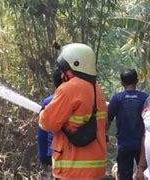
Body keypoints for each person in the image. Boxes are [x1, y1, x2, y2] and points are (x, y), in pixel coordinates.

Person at [39, 43, 107, 179]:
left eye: (64, 68)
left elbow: (48, 124)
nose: (62, 73)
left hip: (73, 169)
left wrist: (43, 113)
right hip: (96, 168)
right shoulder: (97, 89)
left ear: (75, 65)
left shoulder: (70, 88)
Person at [107, 69, 148, 180]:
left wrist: (104, 135)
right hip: (142, 145)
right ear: (137, 81)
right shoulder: (145, 98)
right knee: (144, 174)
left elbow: (108, 119)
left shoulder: (117, 98)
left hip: (124, 144)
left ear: (122, 83)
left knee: (124, 176)